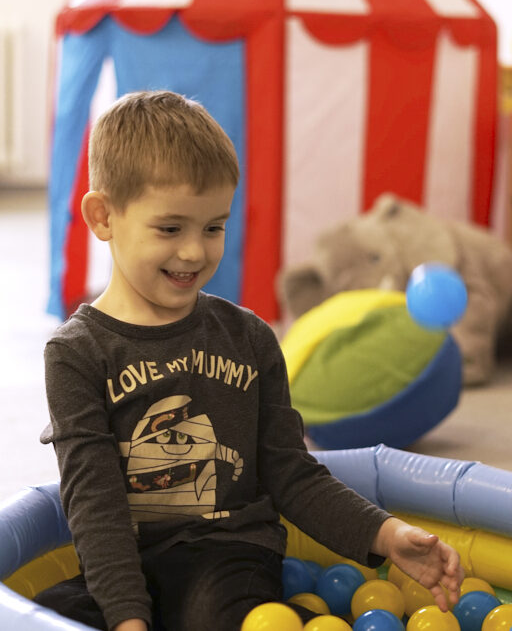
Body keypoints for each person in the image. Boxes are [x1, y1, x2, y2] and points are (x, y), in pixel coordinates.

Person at [36, 91, 464, 631]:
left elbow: (292, 473)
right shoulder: (76, 353)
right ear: (103, 217)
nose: (195, 251)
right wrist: (126, 618)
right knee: (45, 614)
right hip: (125, 560)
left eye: (213, 227)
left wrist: (387, 535)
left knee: (219, 617)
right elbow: (94, 501)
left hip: (226, 554)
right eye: (170, 228)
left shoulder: (249, 338)